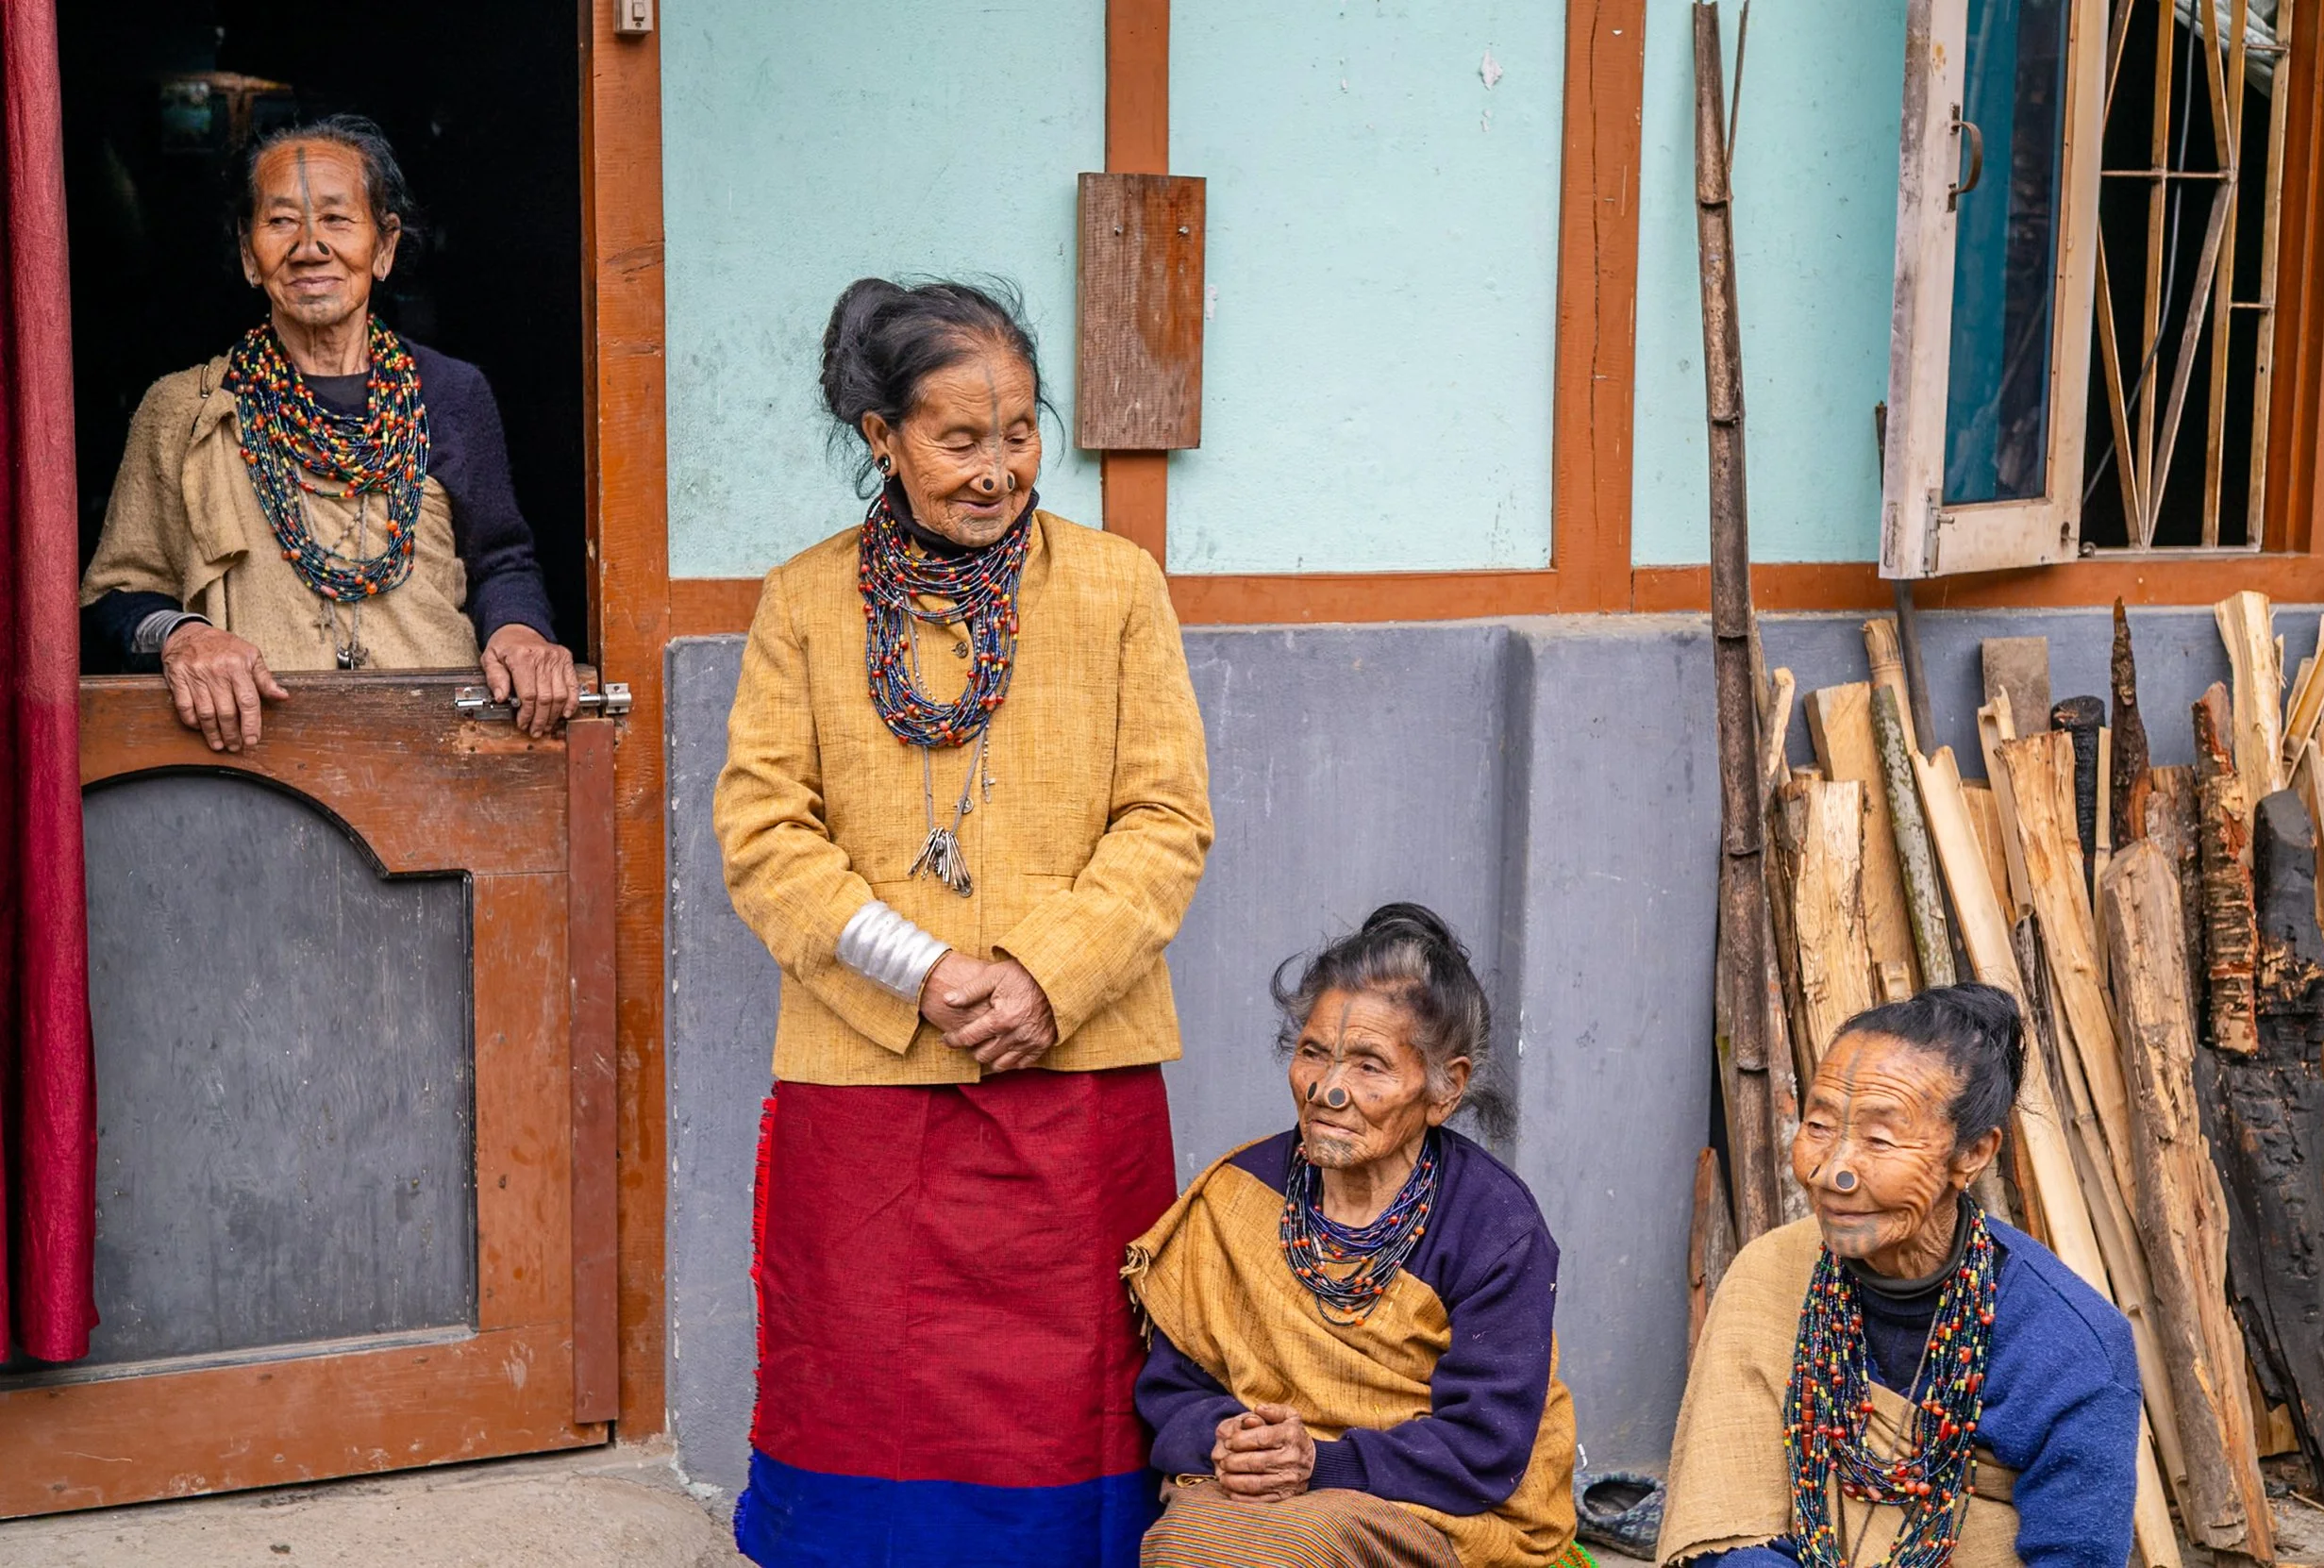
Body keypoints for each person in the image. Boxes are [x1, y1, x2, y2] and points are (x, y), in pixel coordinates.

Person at [712, 277, 1213, 1566]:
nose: (998, 470)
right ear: (882, 438)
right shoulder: (805, 605)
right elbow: (767, 836)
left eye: (1018, 433)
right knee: (862, 1381)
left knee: (1074, 1404)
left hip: (1076, 1075)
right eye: (958, 440)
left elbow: (1165, 823)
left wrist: (1047, 976)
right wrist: (925, 971)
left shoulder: (1116, 589)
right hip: (867, 1080)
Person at [80, 114, 577, 751]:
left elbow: (501, 562)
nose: (310, 246)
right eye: (281, 220)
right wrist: (186, 636)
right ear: (247, 254)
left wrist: (519, 631)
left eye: (338, 221)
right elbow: (118, 593)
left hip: (436, 750)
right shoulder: (183, 409)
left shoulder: (452, 394)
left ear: (385, 245)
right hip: (253, 757)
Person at [1126, 904, 1580, 1568]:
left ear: (1444, 1087)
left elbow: (1486, 1442)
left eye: (1369, 1065)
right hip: (1251, 1486)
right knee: (1184, 1546)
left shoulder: (1493, 1225)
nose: (1327, 1090)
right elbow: (1171, 1390)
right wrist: (1231, 1435)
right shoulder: (1237, 1197)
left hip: (1420, 1500)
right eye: (1313, 1053)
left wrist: (1322, 1460)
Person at [1657, 984, 2142, 1568]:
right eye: (1817, 1126)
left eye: (1879, 1139)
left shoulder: (2074, 1346)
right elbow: (1729, 1524)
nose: (1831, 1171)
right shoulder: (1772, 1275)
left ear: (1972, 1155)